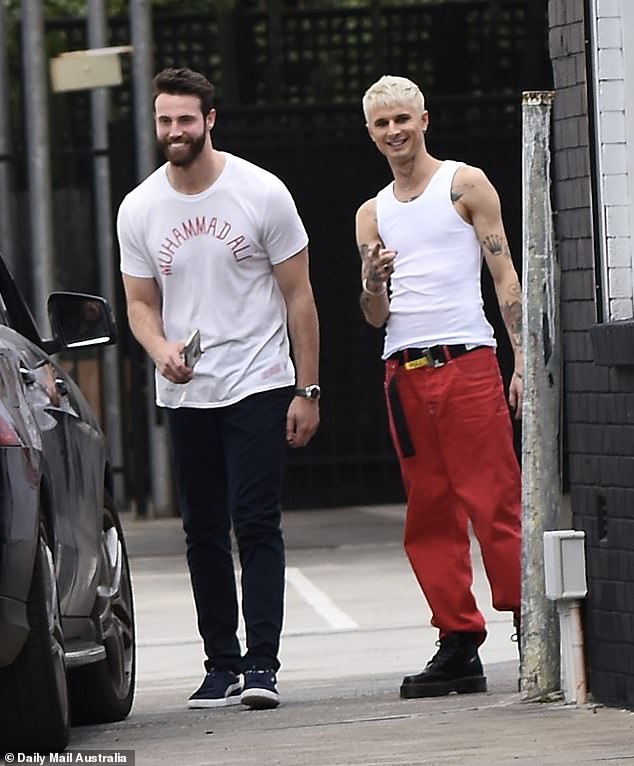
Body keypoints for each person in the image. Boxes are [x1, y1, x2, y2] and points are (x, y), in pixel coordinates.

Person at [117, 67, 320, 710]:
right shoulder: (140, 206)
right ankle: (221, 664)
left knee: (255, 520)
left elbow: (299, 297)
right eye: (163, 120)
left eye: (185, 119)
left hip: (259, 379)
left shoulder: (261, 192)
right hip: (186, 390)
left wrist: (307, 390)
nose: (173, 131)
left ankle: (262, 666)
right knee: (201, 529)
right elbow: (140, 305)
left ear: (210, 120)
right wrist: (160, 349)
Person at [355, 75, 522, 698]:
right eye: (381, 124)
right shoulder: (370, 213)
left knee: (494, 498)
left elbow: (504, 273)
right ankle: (458, 642)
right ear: (370, 133)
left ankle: (527, 620)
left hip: (467, 359)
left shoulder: (463, 183)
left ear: (424, 119)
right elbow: (374, 313)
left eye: (402, 118)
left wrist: (523, 356)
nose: (394, 131)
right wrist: (372, 279)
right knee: (428, 510)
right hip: (404, 367)